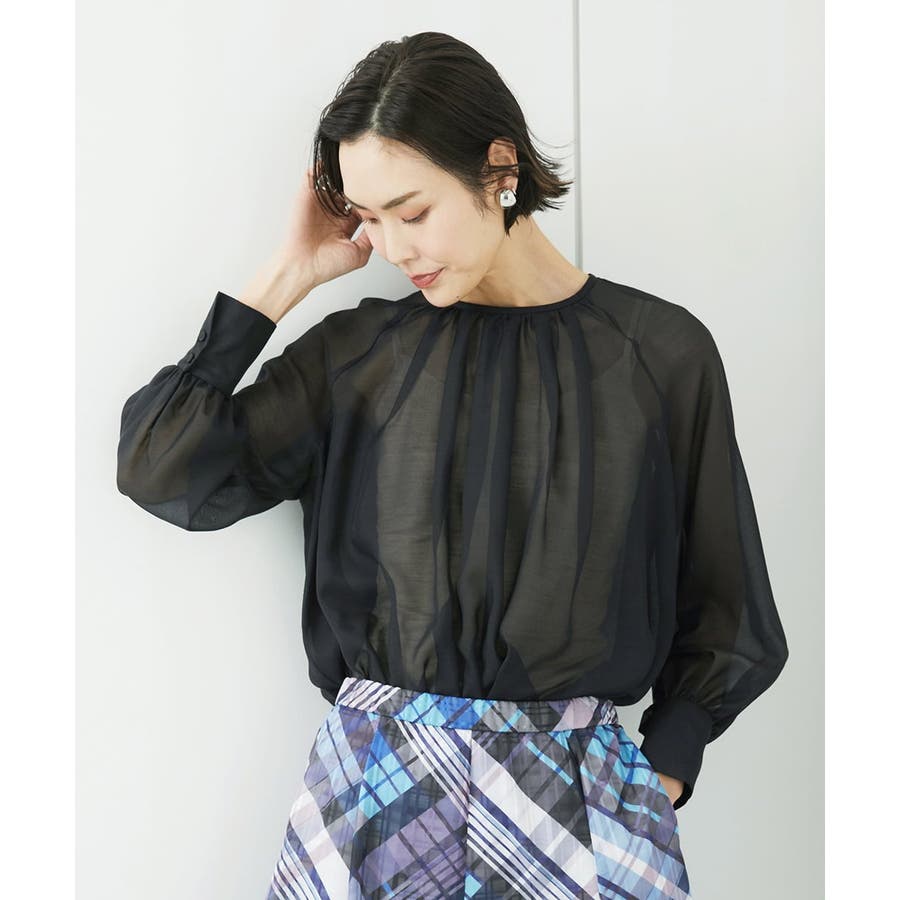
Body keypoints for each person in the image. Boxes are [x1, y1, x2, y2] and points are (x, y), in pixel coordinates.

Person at [117, 31, 788, 900]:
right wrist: (289, 273)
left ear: (498, 169)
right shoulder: (357, 357)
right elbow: (162, 467)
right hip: (373, 801)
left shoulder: (658, 355)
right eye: (368, 218)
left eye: (412, 211)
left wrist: (661, 776)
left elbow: (728, 610)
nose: (393, 249)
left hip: (584, 807)